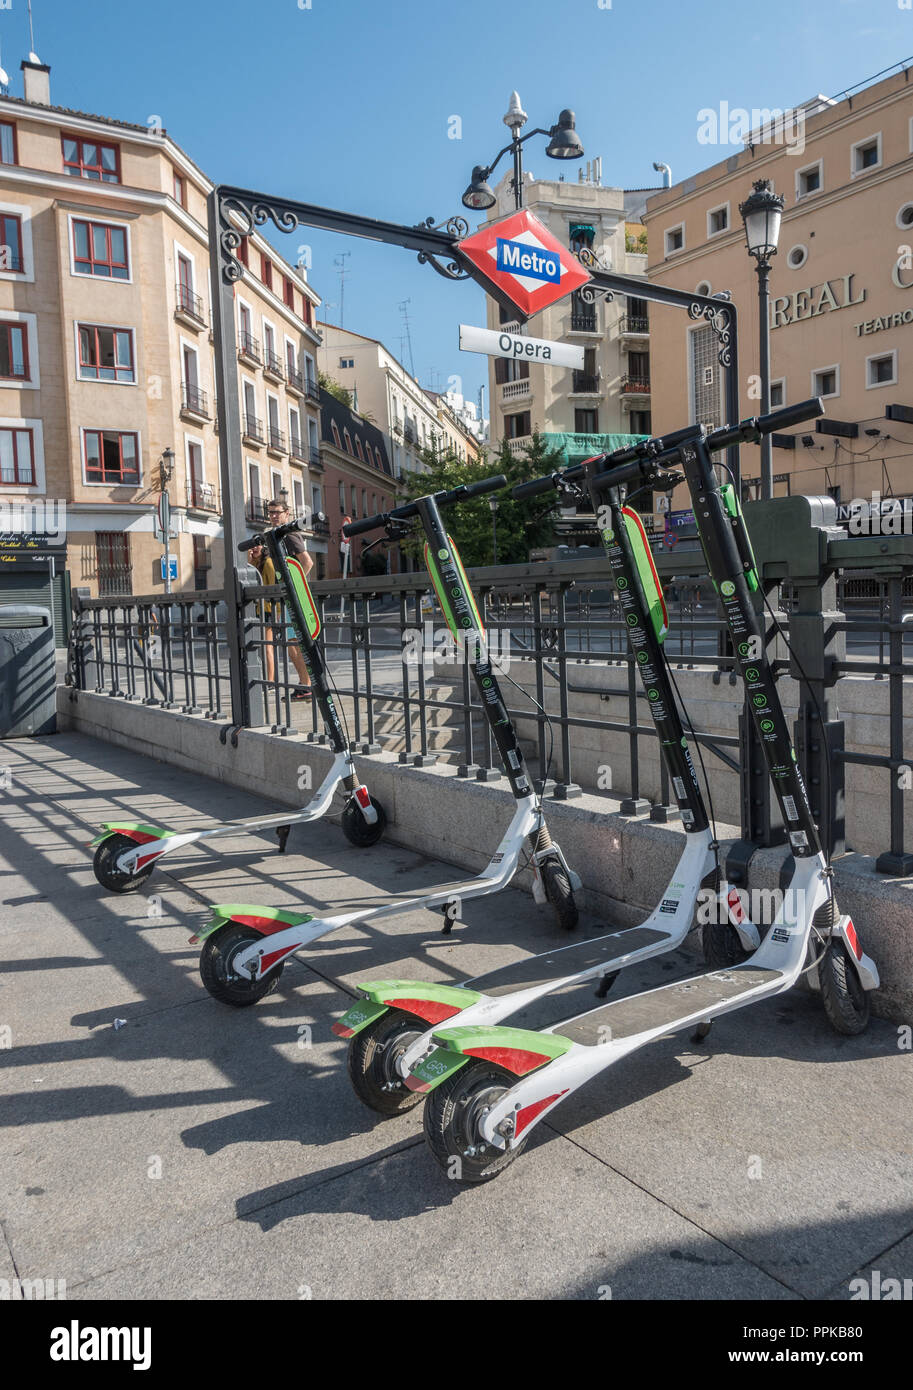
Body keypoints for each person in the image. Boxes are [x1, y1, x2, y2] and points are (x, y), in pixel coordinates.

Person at [266, 497, 313, 699]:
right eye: (270, 512)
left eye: (277, 512)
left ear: (287, 513)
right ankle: (305, 684)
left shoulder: (289, 535)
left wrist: (294, 587)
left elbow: (308, 562)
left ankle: (306, 685)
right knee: (294, 643)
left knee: (294, 643)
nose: (273, 516)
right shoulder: (279, 535)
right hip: (291, 595)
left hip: (295, 595)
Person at [246, 537, 276, 684]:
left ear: (264, 546)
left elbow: (272, 588)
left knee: (267, 647)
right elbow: (249, 580)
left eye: (257, 545)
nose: (254, 548)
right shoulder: (256, 563)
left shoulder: (268, 563)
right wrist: (250, 561)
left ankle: (270, 681)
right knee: (259, 646)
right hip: (258, 610)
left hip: (267, 611)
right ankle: (266, 679)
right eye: (252, 545)